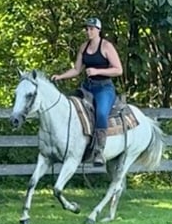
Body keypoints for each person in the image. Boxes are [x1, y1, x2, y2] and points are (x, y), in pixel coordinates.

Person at [50, 17, 123, 166]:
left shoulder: (106, 46)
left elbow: (118, 70)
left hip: (104, 88)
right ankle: (70, 144)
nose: (88, 31)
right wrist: (60, 76)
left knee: (101, 113)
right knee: (69, 107)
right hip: (87, 87)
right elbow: (77, 69)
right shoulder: (84, 47)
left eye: (91, 29)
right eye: (87, 28)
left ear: (98, 30)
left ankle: (99, 150)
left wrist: (97, 71)